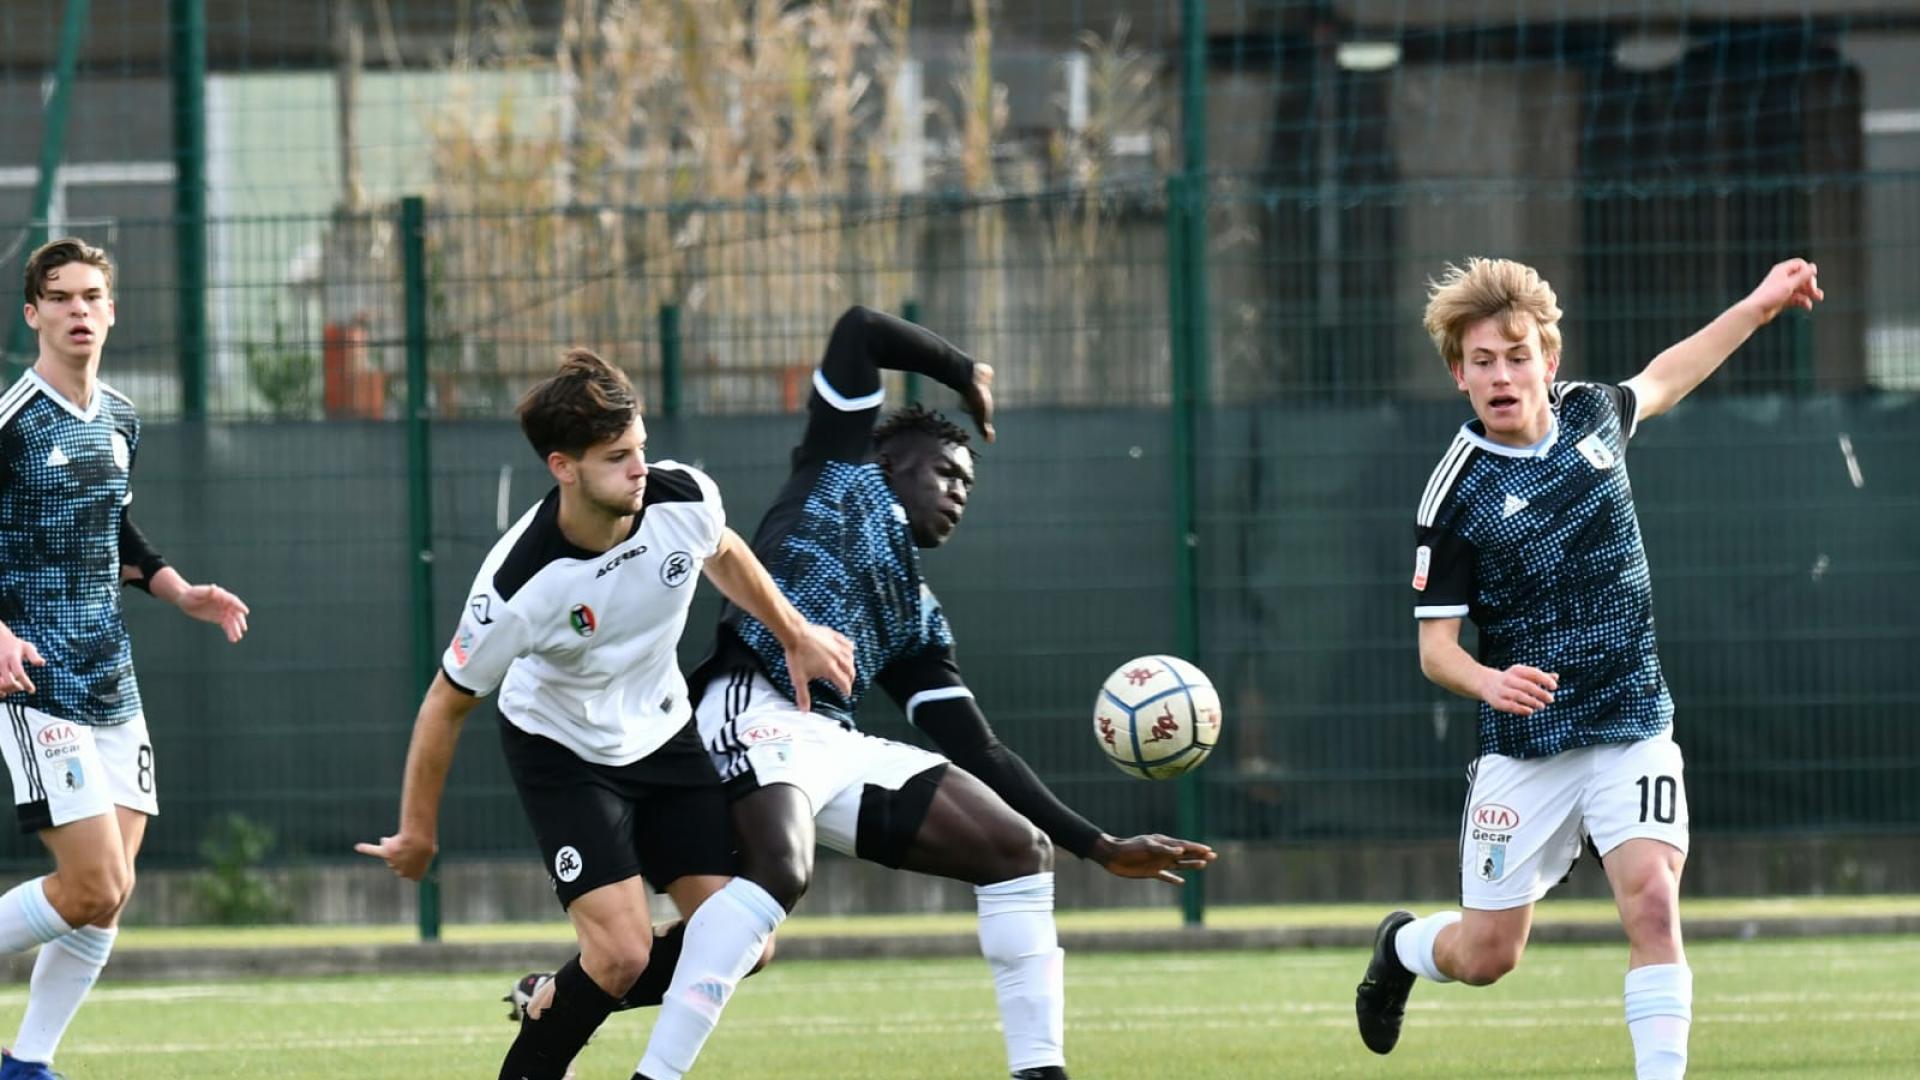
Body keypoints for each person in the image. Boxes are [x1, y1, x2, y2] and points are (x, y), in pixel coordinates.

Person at [515, 306, 1217, 1080]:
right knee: (780, 873)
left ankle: (1041, 1072)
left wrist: (1100, 845)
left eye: (969, 484)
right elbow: (856, 331)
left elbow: (978, 748)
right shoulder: (837, 473)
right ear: (894, 461)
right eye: (948, 471)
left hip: (829, 742)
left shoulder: (917, 619)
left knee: (1019, 850)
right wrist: (964, 372)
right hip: (746, 704)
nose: (959, 493)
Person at [1354, 257, 1824, 1079]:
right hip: (1527, 746)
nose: (1503, 374)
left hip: (1633, 719)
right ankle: (1403, 947)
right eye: (1483, 362)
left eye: (1518, 354)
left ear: (1550, 359)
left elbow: (1671, 373)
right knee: (1489, 955)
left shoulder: (1595, 417)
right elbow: (1436, 652)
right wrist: (1490, 681)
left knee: (1652, 901)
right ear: (1458, 375)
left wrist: (1756, 305)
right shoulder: (1454, 496)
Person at [357, 349, 854, 1080]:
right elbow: (444, 703)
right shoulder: (519, 584)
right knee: (622, 953)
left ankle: (558, 993)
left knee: (746, 941)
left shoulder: (682, 497)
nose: (640, 469)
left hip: (661, 729)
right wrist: (419, 832)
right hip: (563, 748)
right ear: (563, 466)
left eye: (641, 448)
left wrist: (795, 634)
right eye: (618, 457)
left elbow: (723, 551)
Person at [0, 238, 251, 1080]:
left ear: (111, 311)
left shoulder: (121, 417)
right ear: (32, 313)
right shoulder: (13, 422)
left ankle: (27, 1063)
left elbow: (117, 531)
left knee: (112, 894)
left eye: (91, 296)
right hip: (36, 685)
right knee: (92, 886)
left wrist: (181, 592)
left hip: (113, 679)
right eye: (60, 296)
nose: (78, 310)